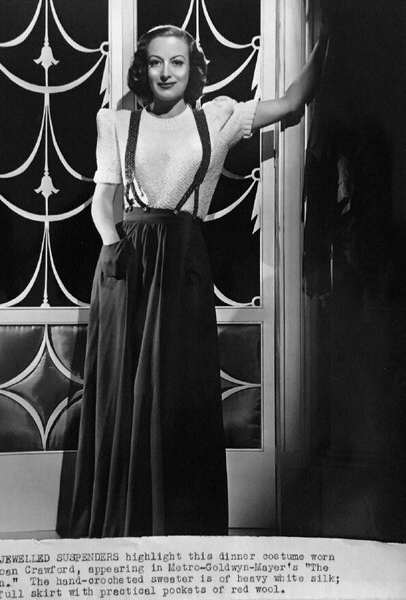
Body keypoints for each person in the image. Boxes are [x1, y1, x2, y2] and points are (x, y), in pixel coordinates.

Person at [68, 25, 328, 538]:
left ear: (193, 70)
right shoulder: (117, 123)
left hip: (185, 260)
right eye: (156, 62)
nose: (166, 72)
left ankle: (181, 524)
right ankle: (126, 520)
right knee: (127, 389)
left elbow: (292, 102)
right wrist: (113, 248)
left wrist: (329, 34)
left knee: (179, 392)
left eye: (178, 62)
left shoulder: (219, 118)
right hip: (126, 262)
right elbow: (102, 203)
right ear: (142, 69)